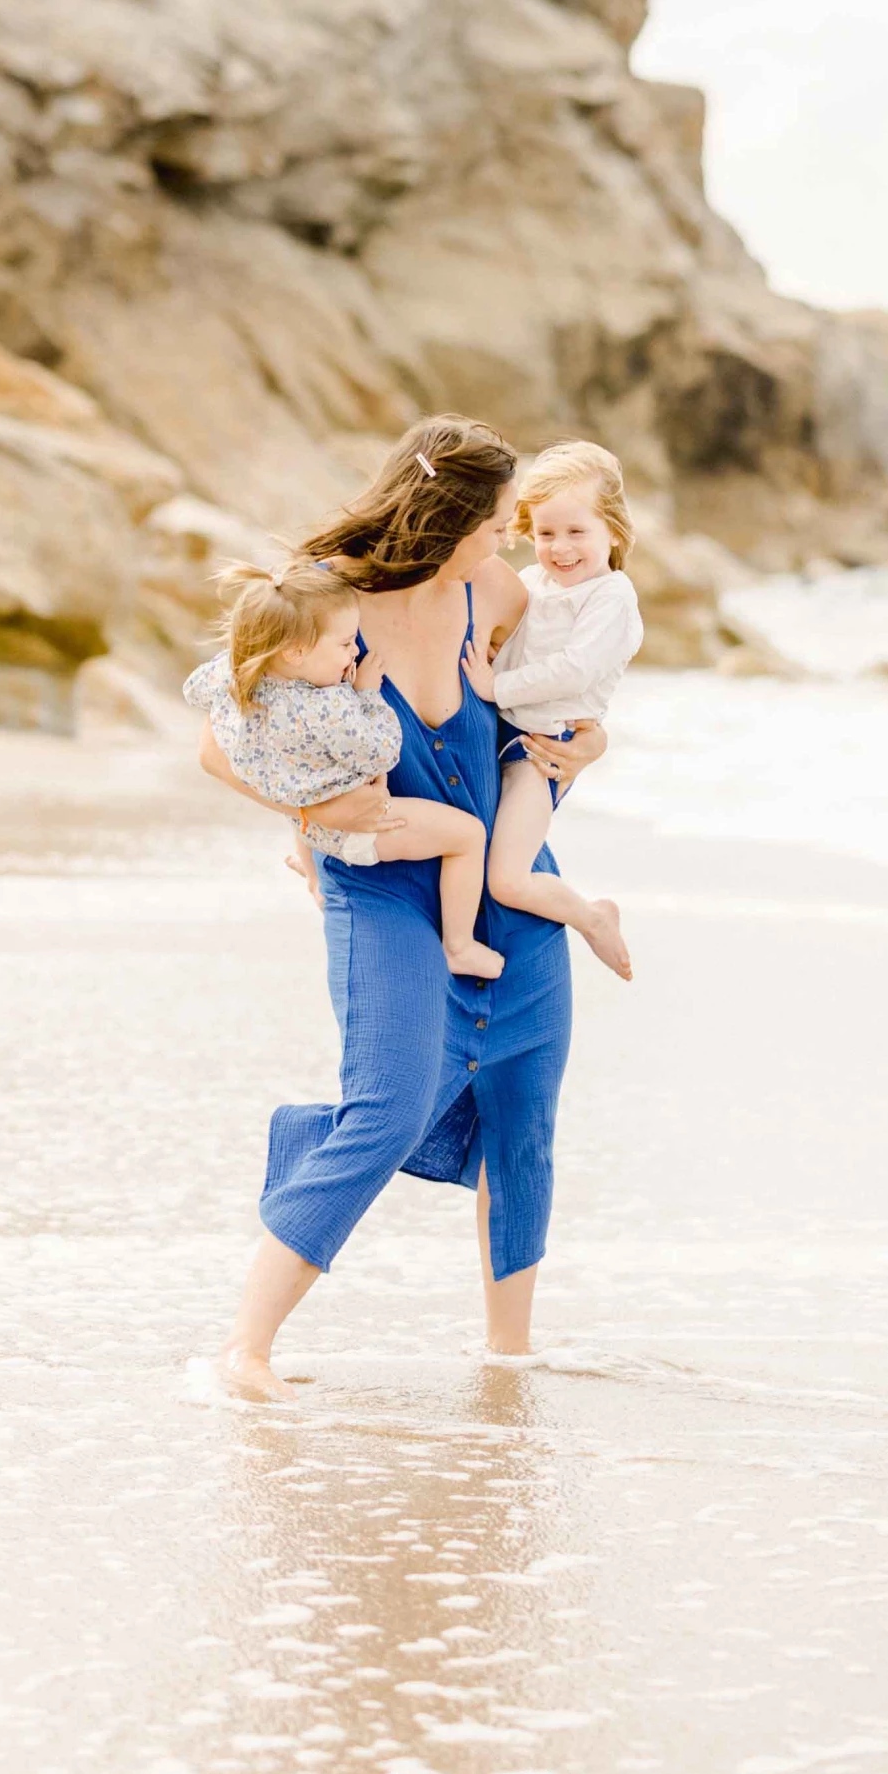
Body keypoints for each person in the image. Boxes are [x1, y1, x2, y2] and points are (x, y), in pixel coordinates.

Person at [197, 415, 609, 1401]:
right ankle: (245, 1351)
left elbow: (550, 716)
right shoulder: (324, 592)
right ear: (453, 515)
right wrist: (306, 808)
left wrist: (588, 748)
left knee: (523, 1118)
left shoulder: (495, 592)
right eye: (501, 519)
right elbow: (222, 744)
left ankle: (509, 1358)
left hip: (500, 875)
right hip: (380, 881)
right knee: (386, 1108)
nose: (513, 538)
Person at [181, 554, 503, 978]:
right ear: (295, 650)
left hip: (296, 806)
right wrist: (367, 693)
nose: (354, 652)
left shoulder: (238, 672)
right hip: (355, 828)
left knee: (296, 781)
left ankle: (313, 876)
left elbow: (192, 689)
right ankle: (460, 945)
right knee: (467, 835)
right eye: (346, 643)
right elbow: (384, 751)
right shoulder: (326, 708)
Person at [484, 440, 643, 982]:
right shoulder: (531, 582)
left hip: (541, 751)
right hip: (500, 733)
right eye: (547, 533)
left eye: (578, 532)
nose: (560, 547)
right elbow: (506, 639)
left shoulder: (611, 596)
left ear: (613, 532)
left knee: (506, 878)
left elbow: (574, 669)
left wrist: (495, 685)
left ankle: (591, 916)